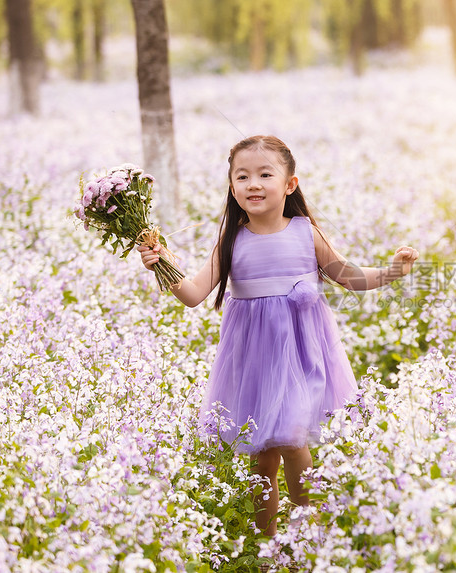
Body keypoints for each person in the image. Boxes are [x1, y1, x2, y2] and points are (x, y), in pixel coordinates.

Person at [138, 135, 419, 536]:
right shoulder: (232, 239)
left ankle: (311, 535)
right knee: (264, 454)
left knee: (291, 439)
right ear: (232, 187)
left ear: (290, 184)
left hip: (301, 353)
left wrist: (391, 273)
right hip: (255, 358)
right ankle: (266, 543)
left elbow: (349, 277)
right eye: (242, 176)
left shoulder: (306, 233)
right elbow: (194, 294)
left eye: (265, 174)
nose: (253, 183)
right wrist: (161, 265)